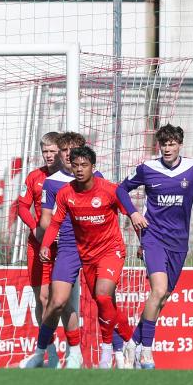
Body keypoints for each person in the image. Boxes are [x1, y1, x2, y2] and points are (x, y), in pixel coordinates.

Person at [120, 124, 193, 369]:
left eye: (172, 144)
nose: (167, 148)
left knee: (162, 297)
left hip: (179, 242)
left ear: (179, 145)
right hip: (153, 238)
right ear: (159, 146)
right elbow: (121, 190)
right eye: (163, 144)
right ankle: (146, 352)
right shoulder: (147, 168)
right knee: (158, 290)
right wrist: (133, 214)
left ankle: (133, 341)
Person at [32, 146, 137, 369]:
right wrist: (46, 244)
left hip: (110, 250)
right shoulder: (65, 192)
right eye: (76, 165)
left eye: (84, 165)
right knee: (57, 302)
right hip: (84, 252)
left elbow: (134, 214)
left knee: (102, 297)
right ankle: (41, 352)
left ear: (93, 167)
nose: (79, 170)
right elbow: (56, 222)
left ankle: (107, 352)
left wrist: (143, 242)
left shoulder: (110, 190)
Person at [16, 131, 61, 367]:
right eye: (45, 151)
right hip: (38, 246)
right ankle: (49, 352)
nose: (49, 156)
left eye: (53, 151)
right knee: (41, 299)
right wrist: (34, 228)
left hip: (63, 247)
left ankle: (76, 350)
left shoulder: (70, 176)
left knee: (61, 301)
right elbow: (22, 207)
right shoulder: (34, 177)